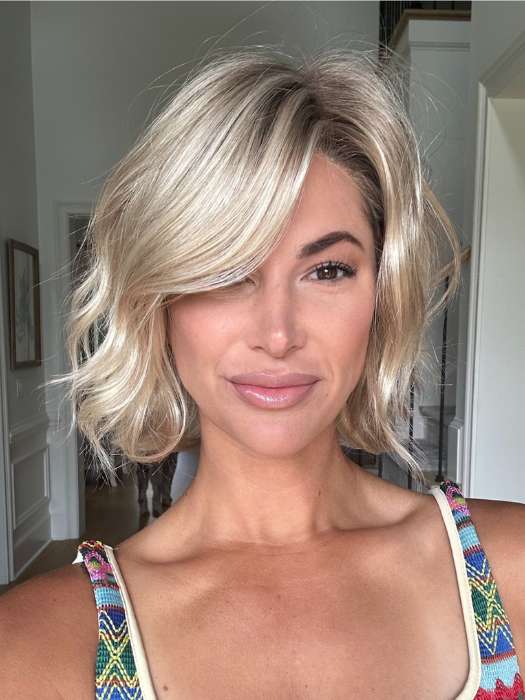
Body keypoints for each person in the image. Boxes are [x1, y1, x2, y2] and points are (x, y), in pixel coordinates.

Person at [1, 45, 524, 699]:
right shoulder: (37, 647)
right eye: (225, 273)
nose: (277, 335)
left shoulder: (508, 571)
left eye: (326, 270)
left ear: (380, 295)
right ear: (158, 301)